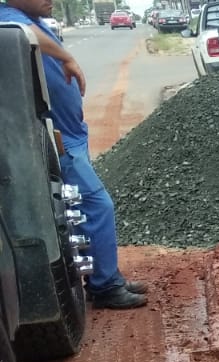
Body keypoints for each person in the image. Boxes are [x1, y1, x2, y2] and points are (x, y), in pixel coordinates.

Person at [0, 0, 147, 309]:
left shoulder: (28, 15)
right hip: (55, 142)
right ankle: (106, 286)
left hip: (70, 136)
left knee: (79, 210)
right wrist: (66, 57)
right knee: (97, 207)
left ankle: (102, 278)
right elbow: (21, 33)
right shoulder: (9, 17)